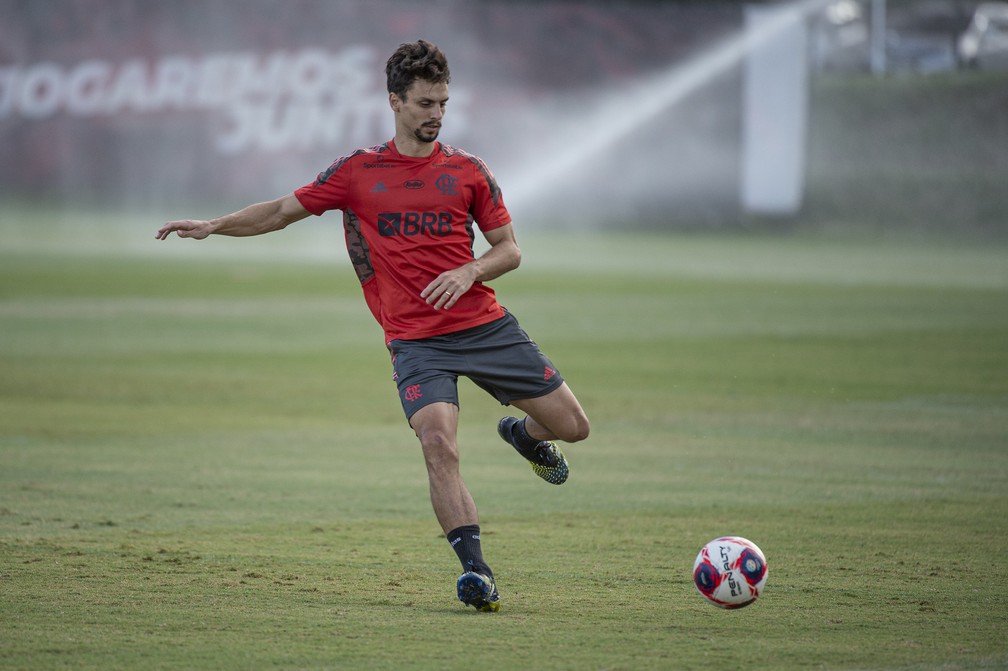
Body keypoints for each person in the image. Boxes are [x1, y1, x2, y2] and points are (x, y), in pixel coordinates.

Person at [155, 39, 589, 612]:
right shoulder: (358, 171)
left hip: (484, 327)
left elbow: (509, 250)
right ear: (394, 101)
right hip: (416, 342)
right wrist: (215, 225)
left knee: (573, 428)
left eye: (443, 103)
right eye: (426, 103)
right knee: (438, 444)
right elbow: (281, 212)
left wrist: (469, 270)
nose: (436, 114)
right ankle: (477, 573)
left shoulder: (468, 170)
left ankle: (524, 436)